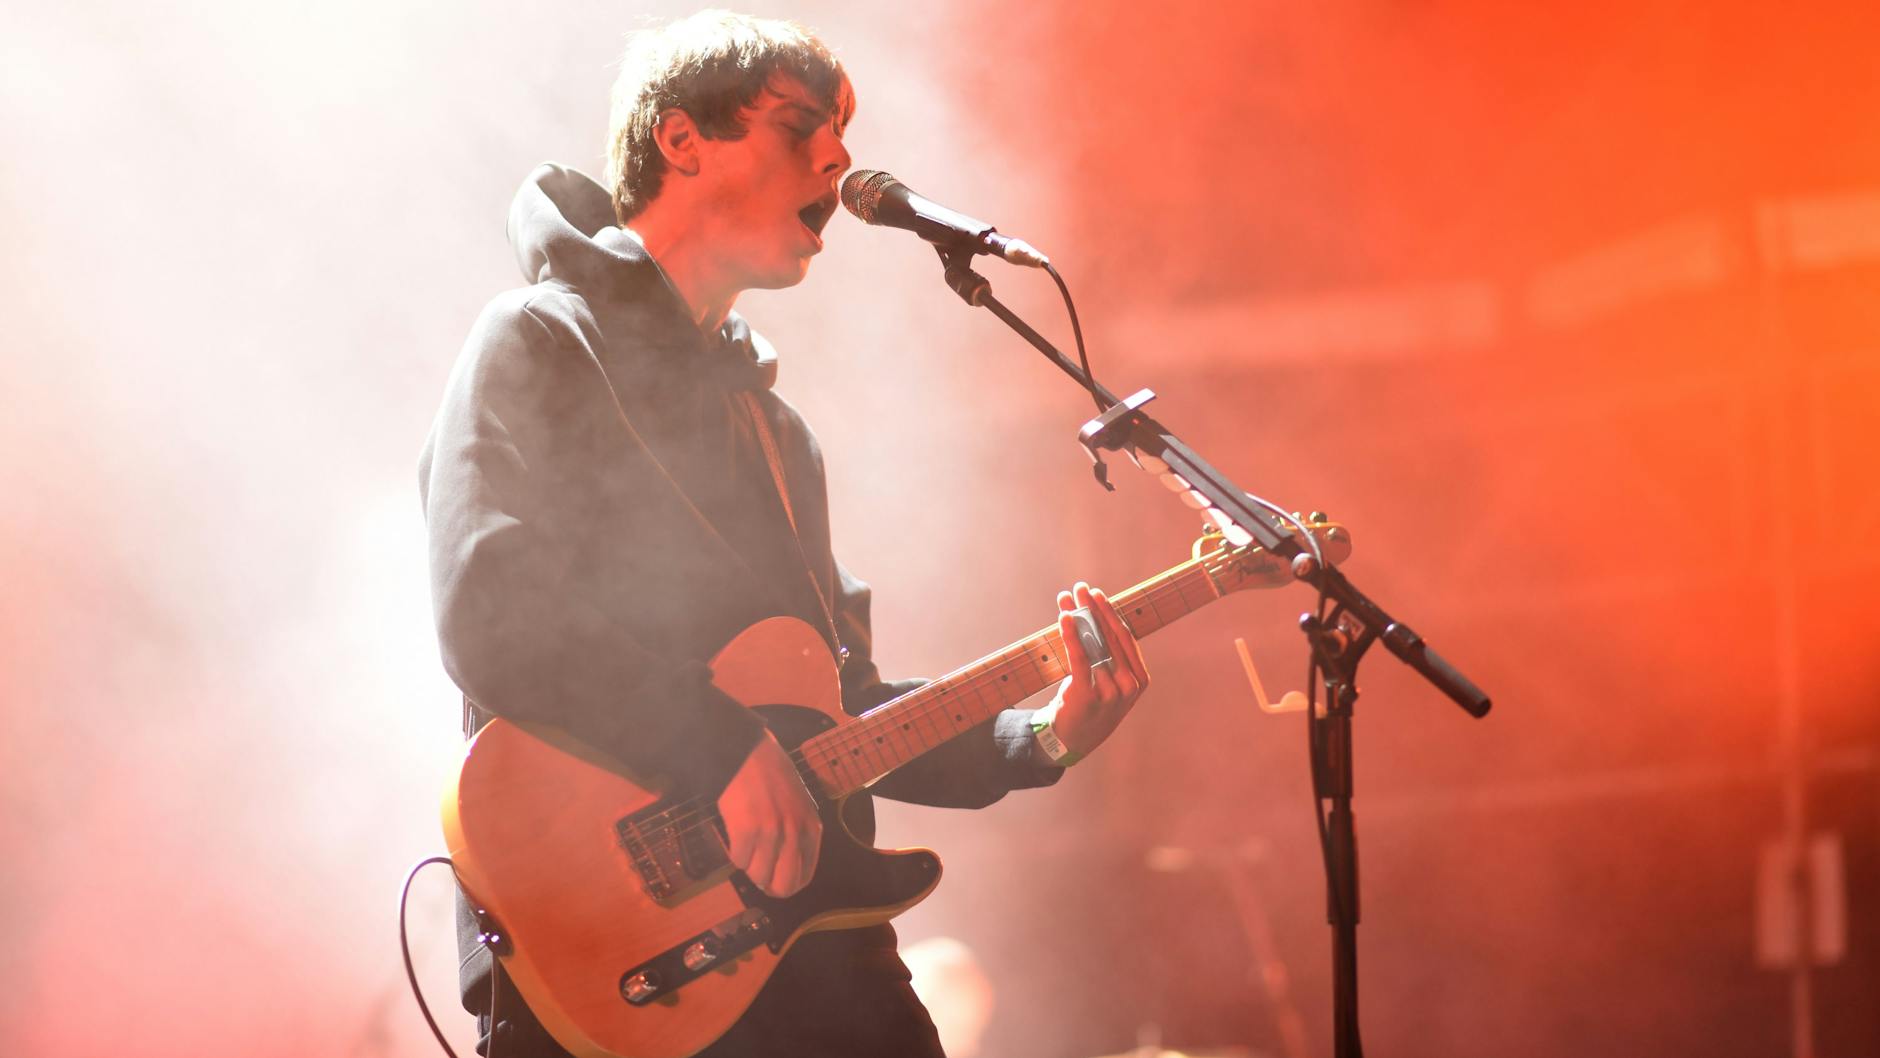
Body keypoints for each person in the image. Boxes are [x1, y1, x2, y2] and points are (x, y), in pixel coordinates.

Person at [419, 11, 1149, 1057]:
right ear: (681, 140)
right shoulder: (536, 339)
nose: (838, 157)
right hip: (618, 952)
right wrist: (712, 739)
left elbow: (838, 705)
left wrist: (1036, 735)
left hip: (810, 944)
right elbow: (489, 604)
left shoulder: (775, 433)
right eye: (798, 123)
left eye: (841, 132)